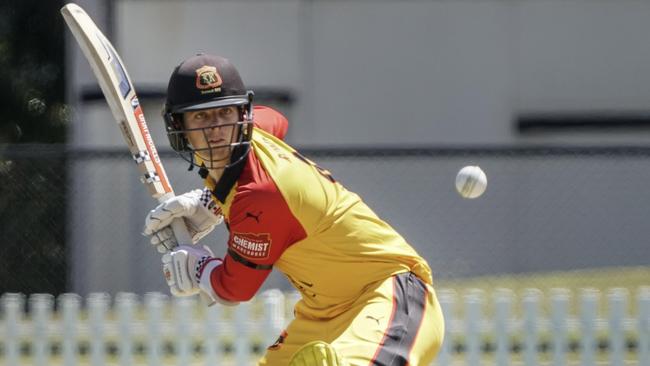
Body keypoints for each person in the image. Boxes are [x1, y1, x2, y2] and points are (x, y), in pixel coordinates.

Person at [143, 53, 444, 366]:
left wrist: (200, 268)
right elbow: (275, 118)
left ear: (241, 116)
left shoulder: (260, 195)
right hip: (322, 315)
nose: (216, 130)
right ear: (179, 126)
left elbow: (235, 288)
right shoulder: (249, 135)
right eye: (201, 118)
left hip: (389, 296)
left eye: (224, 114)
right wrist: (213, 202)